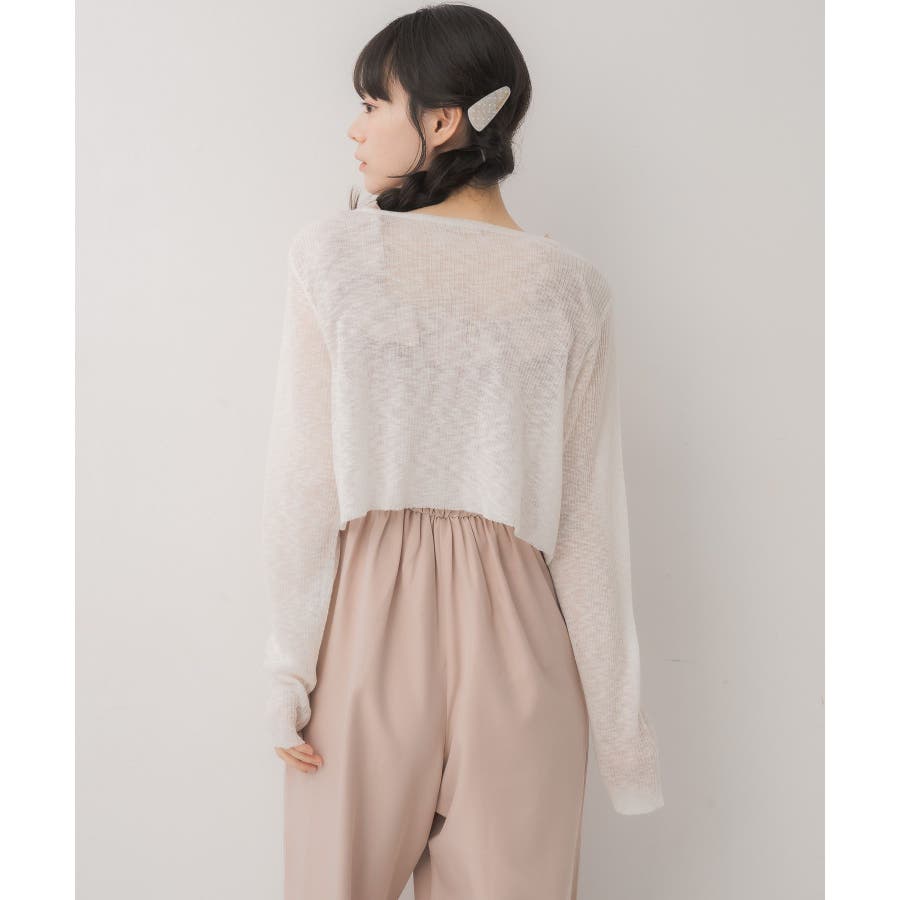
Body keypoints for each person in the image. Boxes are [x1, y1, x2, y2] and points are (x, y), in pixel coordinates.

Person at [261, 5, 664, 898]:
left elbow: (305, 482)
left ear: (443, 121)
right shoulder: (345, 256)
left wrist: (289, 667)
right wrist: (286, 664)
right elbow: (586, 528)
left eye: (374, 102)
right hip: (518, 640)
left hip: (378, 630)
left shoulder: (565, 288)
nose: (356, 127)